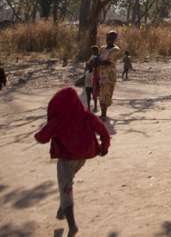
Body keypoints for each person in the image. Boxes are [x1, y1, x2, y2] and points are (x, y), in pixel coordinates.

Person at [34, 87, 110, 236]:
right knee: (67, 184)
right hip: (83, 158)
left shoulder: (58, 120)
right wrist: (104, 147)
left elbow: (42, 138)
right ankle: (62, 209)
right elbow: (104, 132)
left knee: (66, 188)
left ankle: (72, 225)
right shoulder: (87, 116)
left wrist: (39, 133)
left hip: (66, 159)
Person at [95, 31, 121, 120]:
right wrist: (99, 61)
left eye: (111, 38)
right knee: (101, 94)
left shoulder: (116, 49)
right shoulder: (102, 48)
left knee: (106, 94)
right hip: (101, 74)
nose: (109, 40)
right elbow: (99, 59)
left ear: (114, 39)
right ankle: (103, 113)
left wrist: (98, 61)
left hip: (109, 75)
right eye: (108, 38)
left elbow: (106, 61)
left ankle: (103, 114)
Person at [83, 46, 100, 111]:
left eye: (93, 51)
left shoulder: (95, 58)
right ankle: (93, 107)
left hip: (93, 79)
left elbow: (89, 64)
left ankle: (92, 108)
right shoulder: (95, 57)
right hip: (90, 78)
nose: (92, 52)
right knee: (92, 94)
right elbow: (88, 64)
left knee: (92, 95)